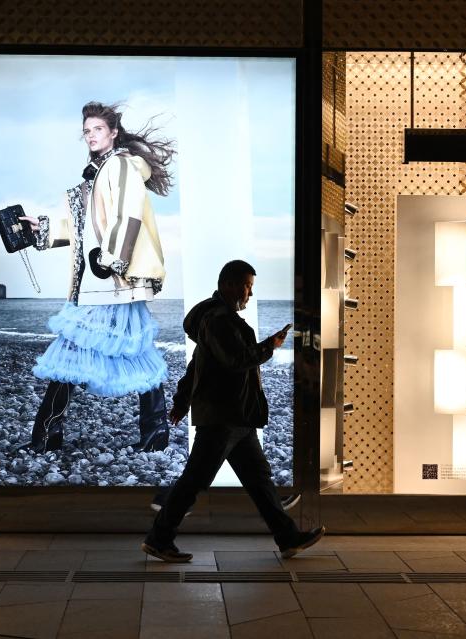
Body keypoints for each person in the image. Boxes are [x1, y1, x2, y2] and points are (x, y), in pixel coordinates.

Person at [142, 260, 324, 562]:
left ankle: (288, 538)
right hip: (223, 416)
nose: (249, 294)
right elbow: (236, 360)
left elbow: (197, 365)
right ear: (228, 284)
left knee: (260, 480)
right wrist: (271, 345)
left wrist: (182, 400)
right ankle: (158, 539)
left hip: (235, 417)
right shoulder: (219, 321)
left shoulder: (217, 320)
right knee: (195, 481)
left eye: (251, 287)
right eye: (247, 286)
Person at [19, 102, 173, 454]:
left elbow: (128, 213)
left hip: (109, 279)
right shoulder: (98, 173)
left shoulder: (118, 166)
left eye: (97, 129)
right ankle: (155, 434)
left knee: (73, 348)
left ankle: (46, 436)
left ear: (113, 132)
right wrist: (41, 227)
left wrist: (112, 260)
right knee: (134, 349)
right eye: (87, 131)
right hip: (101, 280)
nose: (90, 135)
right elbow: (85, 228)